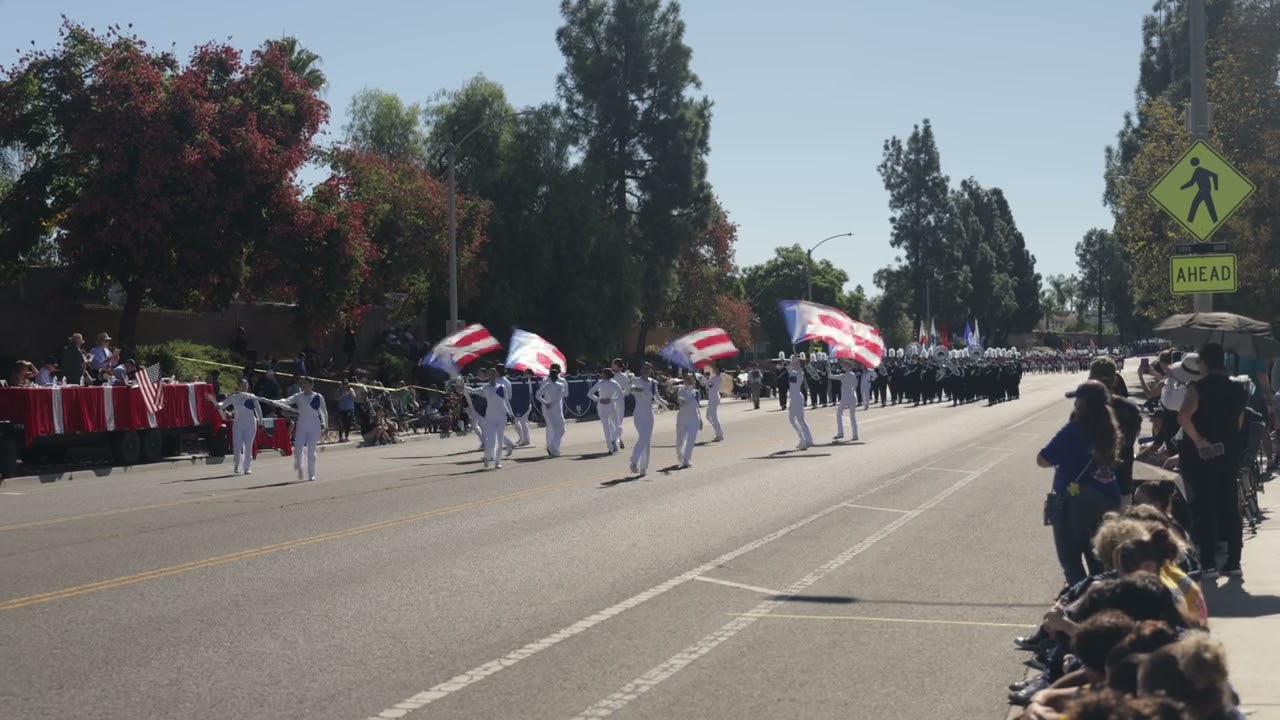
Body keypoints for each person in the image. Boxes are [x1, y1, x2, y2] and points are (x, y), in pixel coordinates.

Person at [1038, 380, 1125, 586]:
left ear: (1083, 404)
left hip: (1075, 502)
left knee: (1071, 562)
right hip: (1106, 498)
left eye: (1077, 400)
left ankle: (1082, 603)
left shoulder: (1075, 429)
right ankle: (1101, 599)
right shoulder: (1109, 428)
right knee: (1099, 560)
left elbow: (1043, 459)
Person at [1176, 343, 1249, 578]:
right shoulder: (1239, 389)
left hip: (1203, 455)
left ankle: (1207, 563)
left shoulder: (1197, 387)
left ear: (1204, 363)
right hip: (1229, 452)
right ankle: (1234, 561)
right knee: (1230, 504)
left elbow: (1184, 417)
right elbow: (1238, 421)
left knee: (1205, 507)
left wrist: (1199, 441)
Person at [271, 377, 327, 482]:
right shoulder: (298, 396)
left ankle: (312, 474)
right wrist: (276, 402)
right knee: (298, 447)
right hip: (302, 424)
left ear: (311, 385)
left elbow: (324, 412)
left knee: (311, 450)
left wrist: (325, 424)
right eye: (302, 384)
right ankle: (300, 461)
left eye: (306, 384)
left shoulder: (317, 397)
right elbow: (286, 401)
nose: (303, 386)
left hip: (314, 425)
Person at [626, 362, 669, 476]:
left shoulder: (653, 383)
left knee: (647, 441)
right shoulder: (635, 380)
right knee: (643, 438)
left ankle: (643, 468)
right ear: (641, 370)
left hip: (649, 415)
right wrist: (636, 389)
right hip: (639, 414)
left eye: (648, 369)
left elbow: (657, 398)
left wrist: (666, 404)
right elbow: (629, 390)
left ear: (651, 371)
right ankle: (634, 461)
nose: (646, 371)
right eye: (644, 368)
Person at [467, 367, 513, 470]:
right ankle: (487, 457)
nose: (492, 375)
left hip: (501, 417)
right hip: (490, 417)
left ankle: (497, 462)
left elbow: (506, 402)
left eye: (493, 373)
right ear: (487, 376)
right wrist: (463, 387)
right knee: (490, 441)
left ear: (496, 375)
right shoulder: (485, 388)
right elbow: (473, 391)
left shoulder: (502, 387)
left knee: (500, 441)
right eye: (490, 374)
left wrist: (511, 414)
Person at [219, 378, 265, 475]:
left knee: (248, 446)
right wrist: (218, 405)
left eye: (246, 385)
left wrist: (261, 423)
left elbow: (258, 410)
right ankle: (237, 465)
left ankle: (247, 467)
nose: (244, 387)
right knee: (237, 446)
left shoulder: (251, 397)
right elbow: (223, 404)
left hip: (250, 424)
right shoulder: (234, 397)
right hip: (238, 424)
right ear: (238, 386)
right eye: (242, 385)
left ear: (248, 386)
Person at [588, 368, 625, 454]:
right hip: (610, 405)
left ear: (605, 375)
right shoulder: (614, 383)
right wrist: (612, 399)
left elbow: (589, 394)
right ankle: (615, 440)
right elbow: (620, 395)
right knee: (617, 425)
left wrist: (598, 399)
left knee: (606, 427)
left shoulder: (600, 383)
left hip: (601, 405)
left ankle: (610, 447)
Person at [536, 364, 569, 457]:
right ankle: (551, 447)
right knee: (551, 427)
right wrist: (547, 402)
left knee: (557, 428)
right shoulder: (546, 381)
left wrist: (557, 395)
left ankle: (554, 447)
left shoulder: (562, 381)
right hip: (548, 406)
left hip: (555, 406)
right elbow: (540, 393)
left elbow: (565, 394)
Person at [829, 358, 861, 442]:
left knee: (839, 414)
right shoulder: (853, 374)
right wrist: (853, 389)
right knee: (852, 416)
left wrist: (828, 369)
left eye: (844, 365)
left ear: (848, 367)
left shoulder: (843, 376)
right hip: (851, 396)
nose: (843, 366)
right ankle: (855, 435)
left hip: (845, 397)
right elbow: (856, 384)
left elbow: (830, 376)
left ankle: (840, 433)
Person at [786, 353, 814, 450]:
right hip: (793, 398)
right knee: (792, 419)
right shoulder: (794, 372)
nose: (792, 363)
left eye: (794, 362)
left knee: (800, 420)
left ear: (798, 364)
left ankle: (805, 440)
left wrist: (790, 366)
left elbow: (792, 374)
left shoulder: (799, 373)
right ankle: (805, 439)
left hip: (797, 398)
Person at [675, 373, 702, 468]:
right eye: (688, 379)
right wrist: (684, 400)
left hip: (694, 418)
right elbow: (681, 403)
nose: (690, 381)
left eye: (692, 379)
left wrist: (700, 419)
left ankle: (687, 459)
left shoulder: (697, 392)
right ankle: (680, 454)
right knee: (680, 440)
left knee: (691, 440)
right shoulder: (680, 391)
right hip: (682, 418)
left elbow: (697, 407)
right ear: (684, 381)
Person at [696, 364, 725, 442]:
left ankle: (719, 434)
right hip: (713, 398)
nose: (713, 369)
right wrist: (702, 378)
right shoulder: (715, 378)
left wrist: (700, 378)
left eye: (714, 368)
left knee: (713, 417)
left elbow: (704, 383)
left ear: (718, 370)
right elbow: (706, 383)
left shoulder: (716, 378)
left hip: (714, 398)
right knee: (708, 416)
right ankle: (718, 431)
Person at [610, 358, 630, 449]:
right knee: (611, 422)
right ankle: (615, 439)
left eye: (613, 364)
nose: (612, 365)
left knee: (618, 421)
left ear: (618, 365)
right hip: (610, 401)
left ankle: (616, 440)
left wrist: (620, 394)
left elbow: (628, 390)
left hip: (619, 402)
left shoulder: (624, 377)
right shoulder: (610, 375)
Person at [514, 370, 534, 447]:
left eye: (526, 373)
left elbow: (530, 393)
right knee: (516, 421)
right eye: (524, 373)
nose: (524, 374)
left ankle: (526, 440)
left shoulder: (529, 382)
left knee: (523, 422)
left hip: (526, 405)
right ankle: (522, 438)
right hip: (521, 405)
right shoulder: (522, 381)